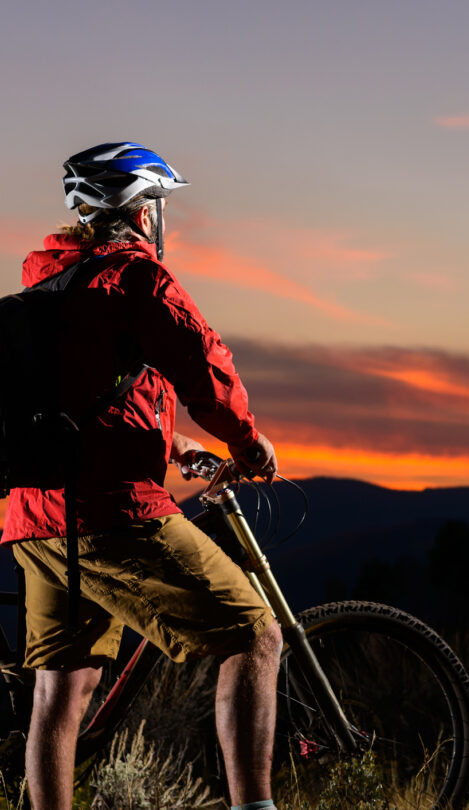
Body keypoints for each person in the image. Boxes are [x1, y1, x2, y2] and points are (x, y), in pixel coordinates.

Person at [0, 143, 282, 810]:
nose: (164, 219)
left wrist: (169, 444)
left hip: (35, 515)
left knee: (59, 690)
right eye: (160, 204)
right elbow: (205, 369)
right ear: (139, 209)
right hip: (110, 516)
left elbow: (83, 401)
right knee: (254, 635)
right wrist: (248, 441)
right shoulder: (137, 279)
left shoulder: (50, 287)